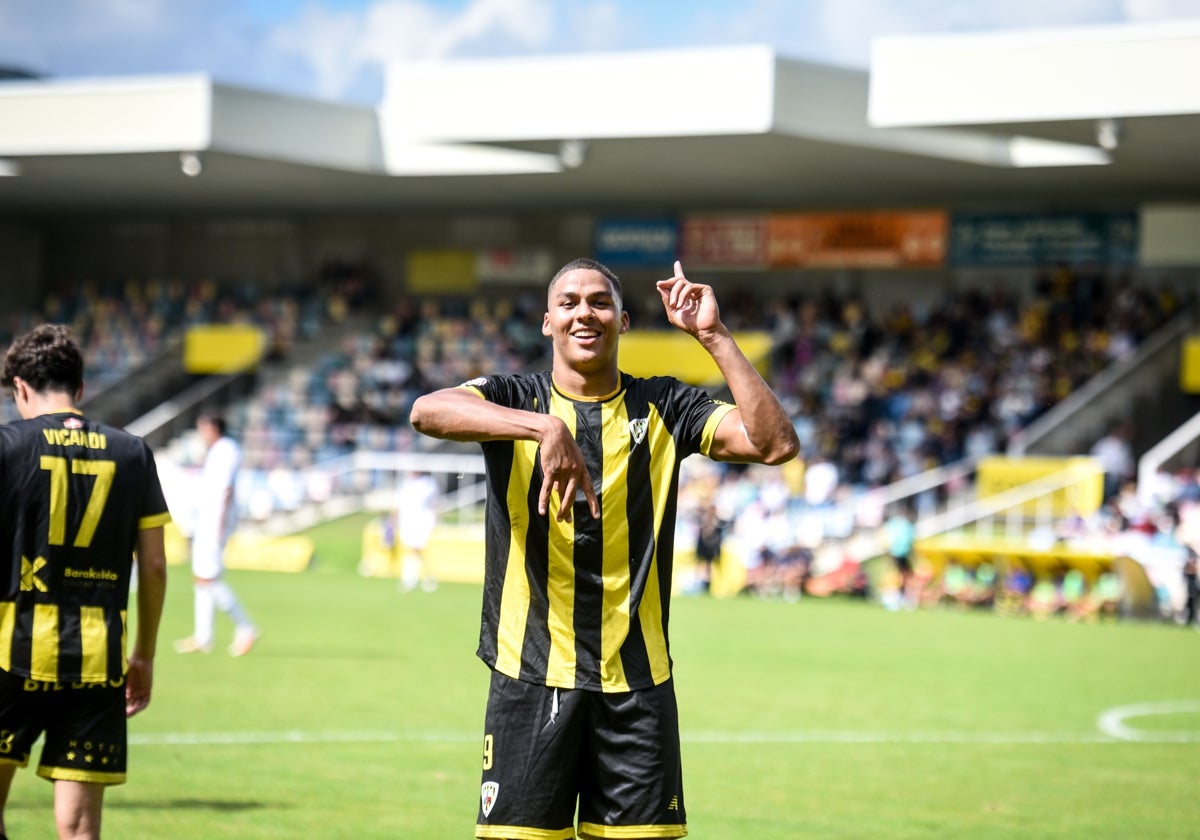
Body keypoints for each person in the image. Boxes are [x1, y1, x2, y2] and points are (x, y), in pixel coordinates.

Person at [410, 258, 799, 840]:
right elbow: (426, 411)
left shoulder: (665, 406)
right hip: (530, 678)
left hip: (638, 688)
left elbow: (775, 444)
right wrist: (544, 429)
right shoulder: (513, 398)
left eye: (599, 301)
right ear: (547, 322)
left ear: (623, 319)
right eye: (568, 302)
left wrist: (713, 337)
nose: (583, 313)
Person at [0, 324, 170, 840]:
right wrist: (144, 655)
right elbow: (156, 566)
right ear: (80, 387)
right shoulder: (133, 453)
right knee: (78, 831)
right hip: (97, 663)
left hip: (10, 651)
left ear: (20, 389)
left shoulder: (7, 447)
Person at [174, 415, 258, 657]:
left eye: (203, 428)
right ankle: (204, 636)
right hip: (207, 520)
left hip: (214, 521)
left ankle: (245, 627)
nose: (200, 433)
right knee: (202, 578)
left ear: (213, 428)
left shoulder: (226, 450)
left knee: (208, 578)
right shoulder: (216, 451)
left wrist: (219, 522)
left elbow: (226, 488)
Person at [395, 470, 440, 593]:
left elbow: (433, 503)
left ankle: (425, 577)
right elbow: (399, 504)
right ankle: (414, 578)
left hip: (422, 521)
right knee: (411, 550)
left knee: (417, 550)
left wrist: (435, 518)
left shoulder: (428, 484)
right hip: (408, 521)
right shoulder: (405, 484)